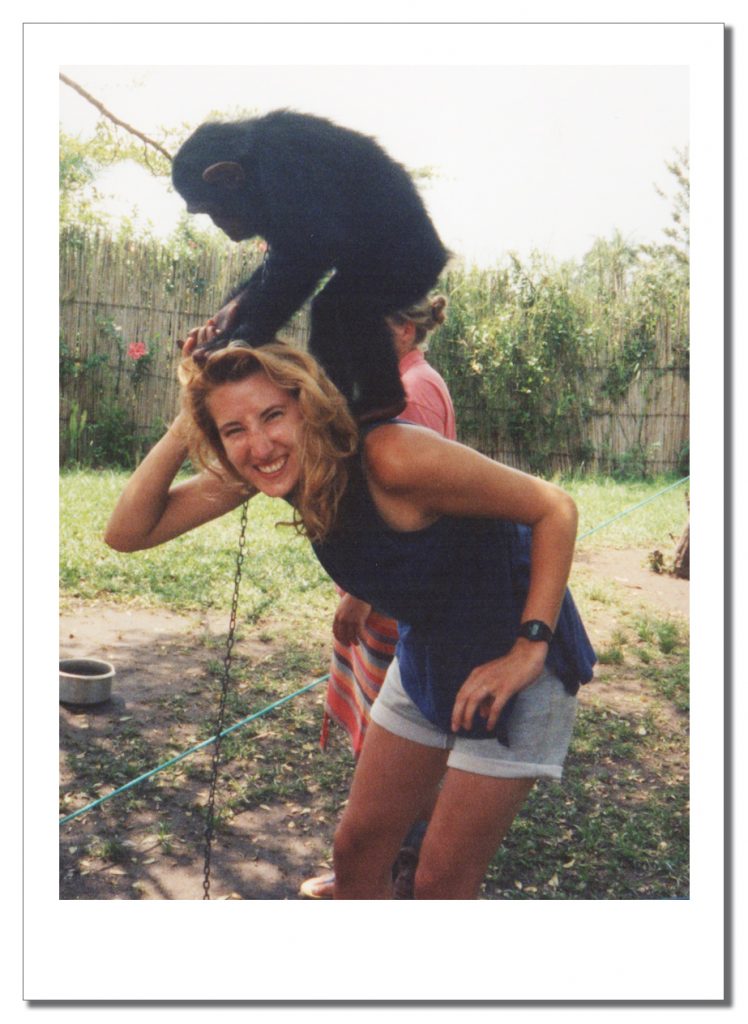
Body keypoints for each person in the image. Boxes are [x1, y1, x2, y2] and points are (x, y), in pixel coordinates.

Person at [105, 331, 595, 901]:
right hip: (429, 653)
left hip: (514, 663)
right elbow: (128, 533)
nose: (259, 445)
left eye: (272, 415)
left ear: (308, 406)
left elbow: (554, 508)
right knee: (358, 850)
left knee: (439, 882)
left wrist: (529, 648)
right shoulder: (267, 469)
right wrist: (186, 420)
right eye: (233, 430)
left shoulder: (389, 454)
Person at [303, 294, 457, 900]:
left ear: (404, 326)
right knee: (395, 739)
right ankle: (375, 866)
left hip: (395, 596)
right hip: (393, 588)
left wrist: (360, 596)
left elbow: (407, 506)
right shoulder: (403, 381)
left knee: (401, 746)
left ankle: (390, 874)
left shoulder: (412, 392)